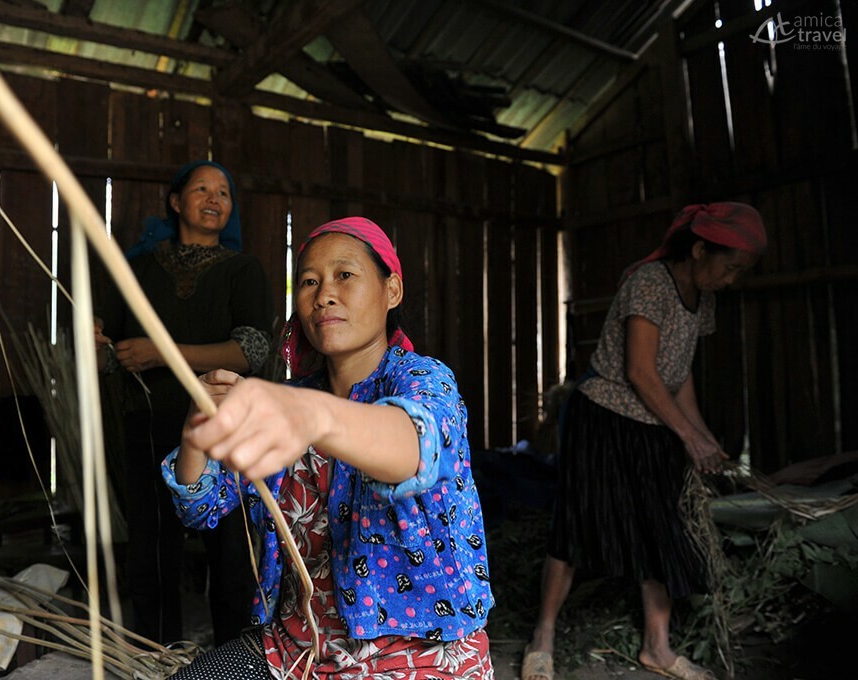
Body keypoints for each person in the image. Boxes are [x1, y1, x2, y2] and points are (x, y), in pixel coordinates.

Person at [161, 217, 495, 679]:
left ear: (391, 291)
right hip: (293, 651)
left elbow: (413, 449)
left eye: (345, 275)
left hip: (414, 657)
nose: (323, 295)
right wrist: (197, 432)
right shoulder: (294, 399)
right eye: (309, 282)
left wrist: (309, 413)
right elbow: (201, 507)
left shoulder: (423, 381)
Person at [522, 203, 767, 680]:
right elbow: (640, 370)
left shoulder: (703, 297)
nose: (732, 279)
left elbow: (679, 373)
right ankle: (542, 638)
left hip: (656, 422)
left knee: (662, 532)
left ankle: (657, 648)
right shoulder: (650, 282)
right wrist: (687, 437)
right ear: (700, 249)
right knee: (576, 524)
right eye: (730, 266)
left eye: (741, 272)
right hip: (606, 417)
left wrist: (701, 436)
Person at [95, 160, 274, 645]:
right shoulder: (139, 270)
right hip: (149, 422)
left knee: (232, 552)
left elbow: (252, 350)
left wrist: (163, 353)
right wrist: (98, 346)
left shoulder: (243, 270)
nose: (215, 198)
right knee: (151, 554)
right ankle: (156, 659)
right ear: (176, 202)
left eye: (224, 191)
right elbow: (108, 355)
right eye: (202, 189)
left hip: (223, 426)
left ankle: (235, 662)